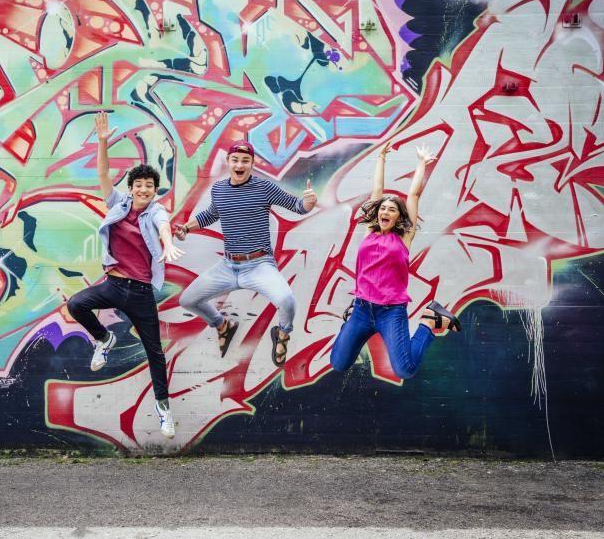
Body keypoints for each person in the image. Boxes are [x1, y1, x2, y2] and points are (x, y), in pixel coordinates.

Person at [66, 111, 184, 438]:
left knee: (154, 353)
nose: (144, 189)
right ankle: (105, 339)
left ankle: (164, 410)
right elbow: (103, 174)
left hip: (142, 293)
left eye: (149, 185)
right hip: (114, 285)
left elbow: (162, 225)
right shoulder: (118, 204)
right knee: (76, 305)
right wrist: (102, 143)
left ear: (154, 190)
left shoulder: (157, 210)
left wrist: (168, 242)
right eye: (139, 185)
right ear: (130, 188)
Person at [174, 141, 317, 367]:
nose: (240, 164)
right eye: (235, 160)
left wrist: (308, 204)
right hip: (228, 266)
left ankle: (282, 334)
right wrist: (186, 228)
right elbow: (211, 214)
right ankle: (222, 324)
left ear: (252, 164)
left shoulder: (264, 188)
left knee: (287, 300)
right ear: (228, 162)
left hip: (259, 264)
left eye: (245, 161)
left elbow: (297, 206)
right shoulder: (219, 189)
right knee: (188, 300)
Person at [330, 142, 461, 378]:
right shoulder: (370, 231)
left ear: (399, 217)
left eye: (391, 210)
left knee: (405, 369)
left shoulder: (404, 238)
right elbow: (377, 190)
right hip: (361, 309)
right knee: (338, 363)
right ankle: (350, 326)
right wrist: (381, 158)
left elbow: (414, 194)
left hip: (391, 312)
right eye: (383, 209)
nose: (385, 212)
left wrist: (421, 164)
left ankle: (429, 321)